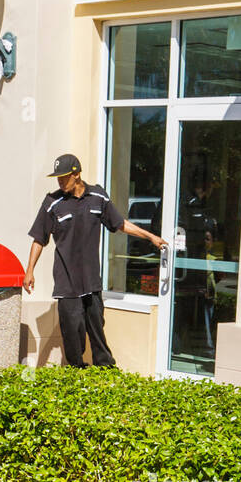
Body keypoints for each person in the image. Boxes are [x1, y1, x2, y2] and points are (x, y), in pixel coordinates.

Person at [23, 153, 167, 367]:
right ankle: (76, 372)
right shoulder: (52, 202)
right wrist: (29, 271)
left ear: (77, 174)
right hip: (67, 282)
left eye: (64, 177)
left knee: (97, 327)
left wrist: (150, 236)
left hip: (91, 280)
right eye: (58, 178)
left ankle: (105, 368)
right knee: (73, 332)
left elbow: (119, 223)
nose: (60, 182)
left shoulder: (98, 197)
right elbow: (38, 239)